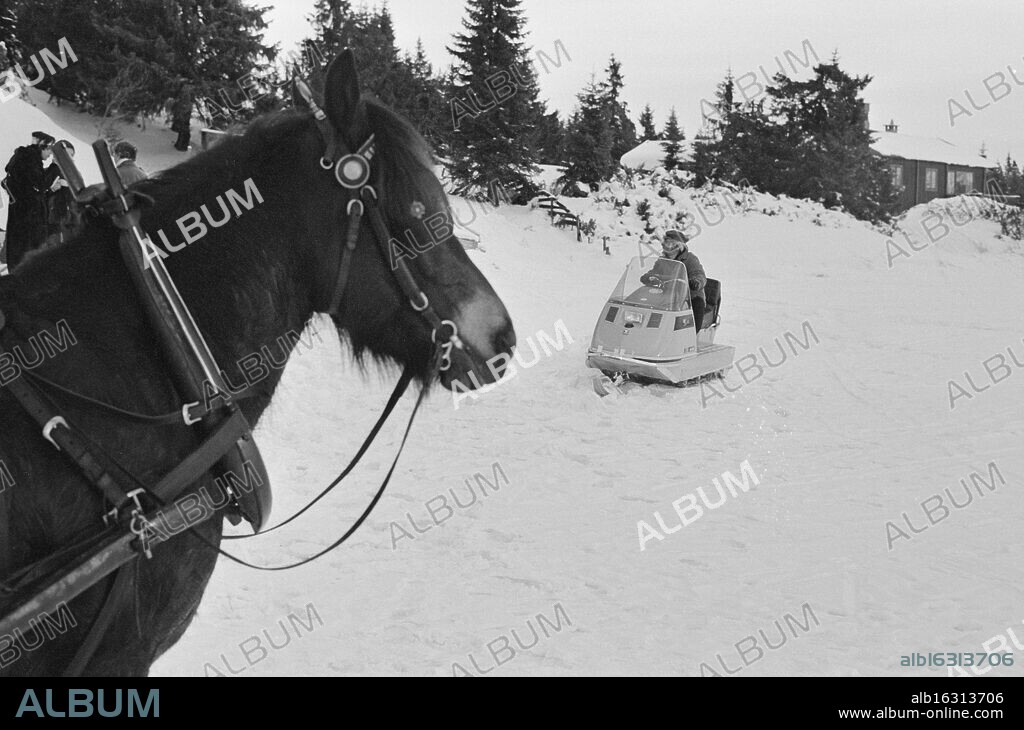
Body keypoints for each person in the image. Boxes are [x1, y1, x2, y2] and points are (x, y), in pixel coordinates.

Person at [3, 130, 59, 271]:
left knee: (18, 251)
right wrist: (54, 167)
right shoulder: (30, 160)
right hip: (28, 217)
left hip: (21, 215)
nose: (50, 154)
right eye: (49, 150)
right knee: (26, 253)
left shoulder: (24, 158)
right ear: (43, 146)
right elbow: (39, 185)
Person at [641, 230, 708, 333]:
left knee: (697, 305)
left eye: (672, 244)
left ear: (680, 246)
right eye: (667, 243)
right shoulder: (662, 260)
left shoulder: (690, 259)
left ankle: (691, 336)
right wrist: (648, 277)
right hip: (668, 295)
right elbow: (653, 272)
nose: (669, 247)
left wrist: (696, 282)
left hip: (690, 296)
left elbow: (699, 274)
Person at [43, 140, 81, 249]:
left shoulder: (74, 175)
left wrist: (68, 188)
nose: (69, 159)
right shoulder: (44, 172)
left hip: (68, 222)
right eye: (66, 155)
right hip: (49, 222)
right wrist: (52, 189)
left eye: (71, 156)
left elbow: (78, 199)